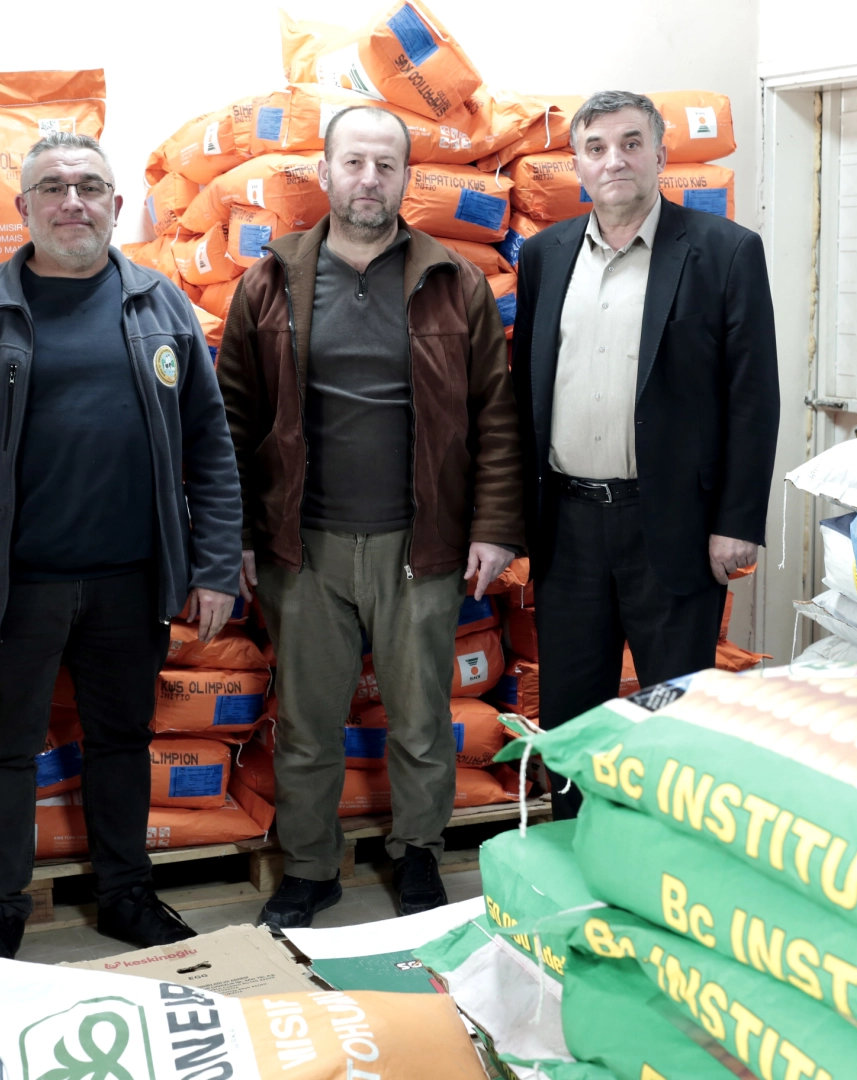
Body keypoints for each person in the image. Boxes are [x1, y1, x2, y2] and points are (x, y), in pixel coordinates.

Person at [0, 132, 242, 957]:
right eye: (52, 188)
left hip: (133, 578)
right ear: (23, 207)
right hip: (12, 584)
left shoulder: (161, 305)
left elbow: (210, 445)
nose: (72, 202)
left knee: (123, 740)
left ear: (116, 205)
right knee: (1, 748)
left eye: (89, 186)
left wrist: (214, 565)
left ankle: (126, 894)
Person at [217, 106, 524, 929]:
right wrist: (237, 536)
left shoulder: (453, 281)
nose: (368, 179)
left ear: (405, 180)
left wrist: (495, 527)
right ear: (324, 172)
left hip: (420, 545)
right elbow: (232, 421)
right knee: (308, 723)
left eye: (386, 165)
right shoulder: (270, 281)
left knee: (420, 720)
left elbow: (496, 416)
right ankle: (309, 868)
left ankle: (417, 851)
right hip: (302, 546)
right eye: (353, 162)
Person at [510, 91, 780, 820]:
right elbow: (522, 393)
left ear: (661, 154)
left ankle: (671, 854)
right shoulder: (544, 256)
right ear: (577, 164)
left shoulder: (724, 251)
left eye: (631, 143)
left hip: (674, 524)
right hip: (567, 524)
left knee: (676, 710)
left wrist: (737, 522)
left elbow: (754, 397)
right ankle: (574, 844)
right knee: (571, 715)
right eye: (596, 148)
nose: (615, 160)